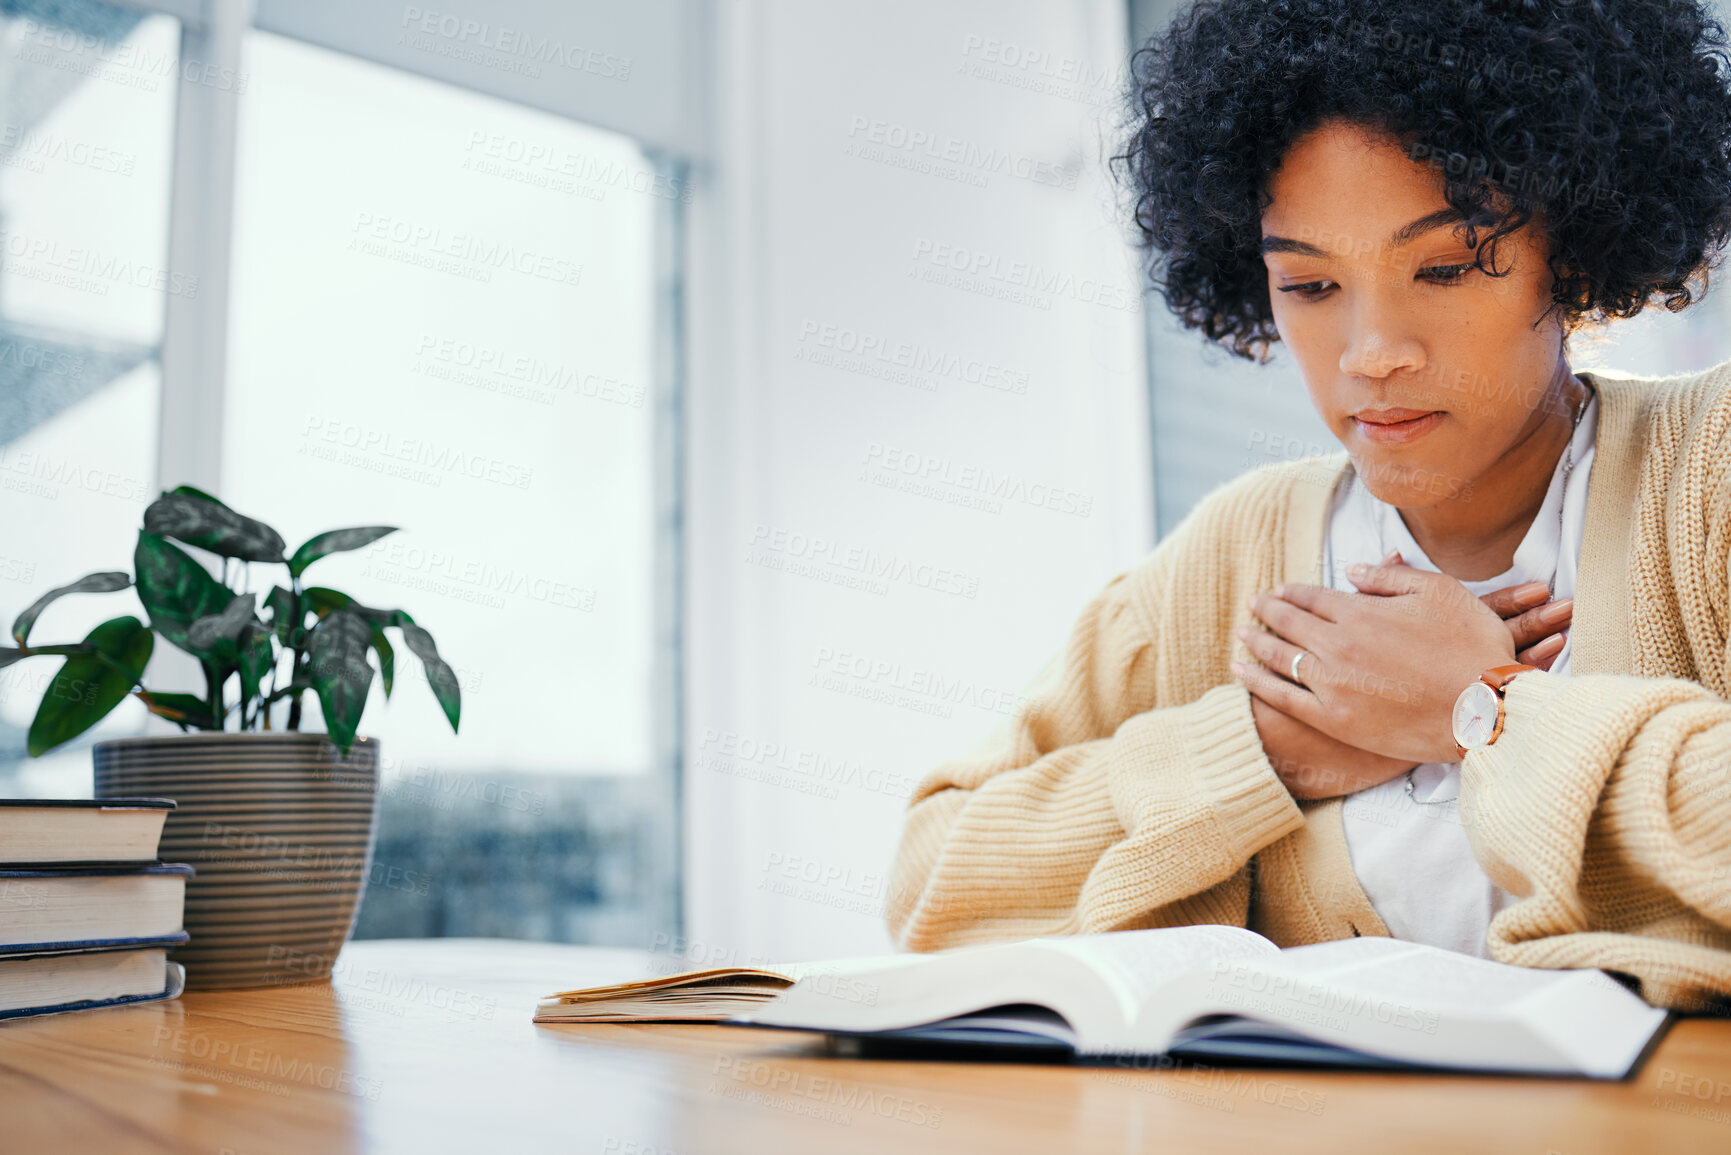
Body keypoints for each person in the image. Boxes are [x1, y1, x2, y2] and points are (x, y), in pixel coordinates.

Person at [884, 0, 1731, 1012]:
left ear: (1578, 249)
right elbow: (931, 881)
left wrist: (1485, 713)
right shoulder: (1232, 556)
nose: (1372, 354)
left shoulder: (1707, 476)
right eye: (1311, 286)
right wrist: (1263, 751)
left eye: (1448, 267)